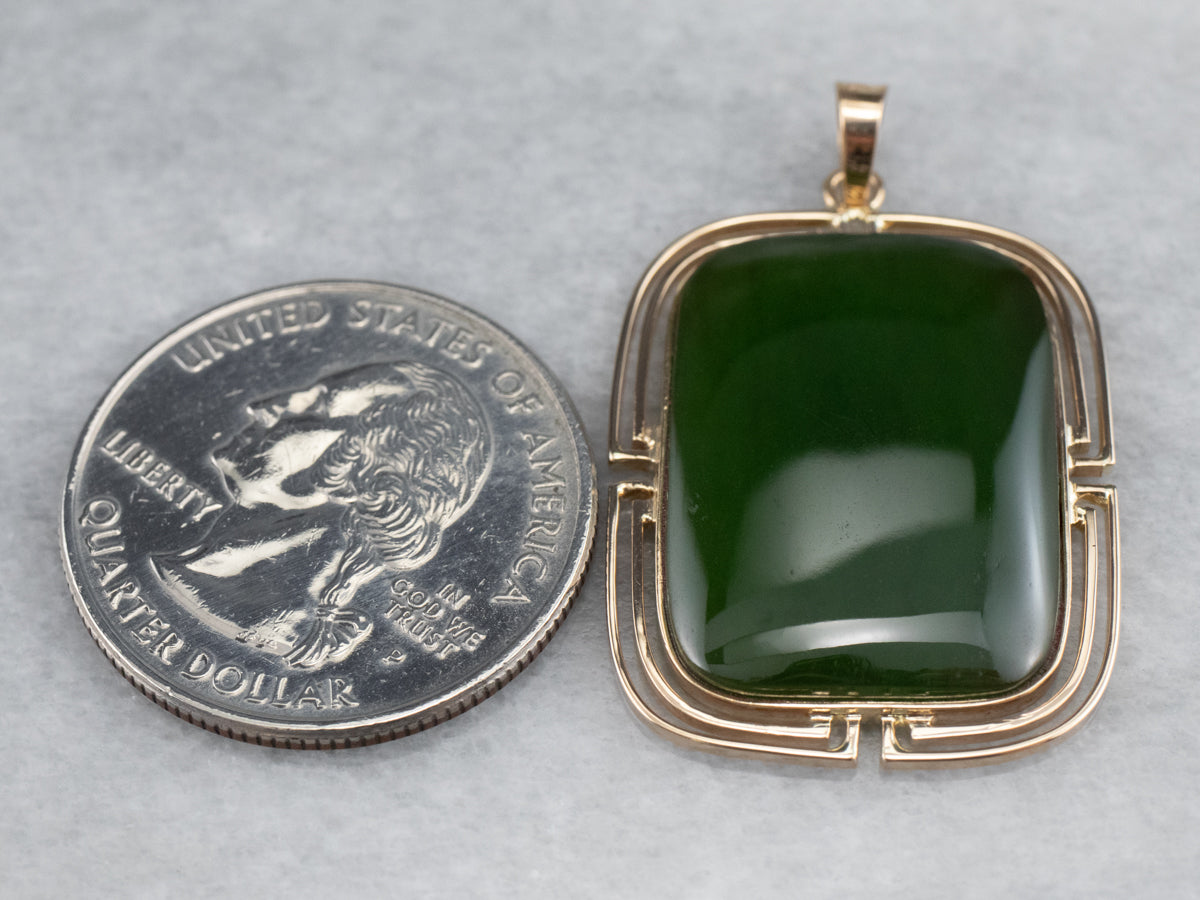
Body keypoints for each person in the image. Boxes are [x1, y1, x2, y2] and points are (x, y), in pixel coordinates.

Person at [154, 361, 491, 669]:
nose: (263, 406)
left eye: (316, 406)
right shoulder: (191, 574)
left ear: (358, 466)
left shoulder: (265, 619)